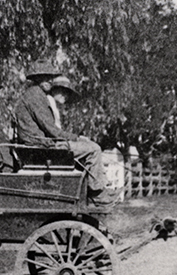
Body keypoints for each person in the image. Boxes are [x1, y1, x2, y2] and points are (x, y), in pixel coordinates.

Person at [13, 60, 116, 205]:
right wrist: (77, 138)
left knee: (86, 147)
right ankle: (97, 194)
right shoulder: (35, 96)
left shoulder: (35, 95)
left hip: (40, 145)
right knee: (93, 149)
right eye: (45, 77)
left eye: (51, 77)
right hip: (42, 148)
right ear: (37, 79)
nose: (50, 80)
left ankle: (89, 190)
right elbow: (52, 130)